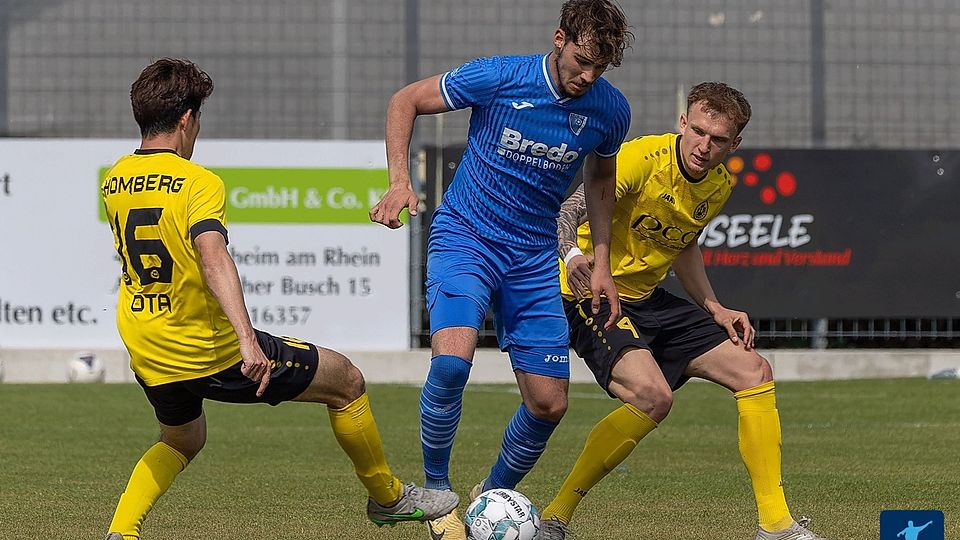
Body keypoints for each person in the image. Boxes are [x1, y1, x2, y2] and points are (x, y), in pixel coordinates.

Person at [101, 58, 458, 540]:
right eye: (199, 119)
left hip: (146, 345)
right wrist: (248, 343)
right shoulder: (199, 182)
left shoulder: (115, 178)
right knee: (346, 381)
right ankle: (389, 498)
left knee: (183, 438)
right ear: (186, 119)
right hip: (208, 350)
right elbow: (213, 258)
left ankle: (121, 533)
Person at [368, 1, 633, 538]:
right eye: (581, 60)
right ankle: (437, 499)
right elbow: (405, 101)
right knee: (451, 364)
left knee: (549, 403)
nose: (587, 76)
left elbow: (601, 182)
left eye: (598, 69)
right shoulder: (498, 76)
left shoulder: (609, 110)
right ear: (559, 38)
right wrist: (399, 180)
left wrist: (601, 260)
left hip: (534, 258)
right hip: (466, 237)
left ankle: (488, 501)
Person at [537, 82, 827, 540]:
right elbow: (568, 210)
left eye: (717, 139)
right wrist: (574, 257)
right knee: (654, 398)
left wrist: (715, 307)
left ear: (735, 145)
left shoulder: (718, 186)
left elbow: (684, 243)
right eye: (698, 131)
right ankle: (556, 515)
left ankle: (776, 525)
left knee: (754, 370)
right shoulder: (641, 158)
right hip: (589, 291)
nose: (704, 146)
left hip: (649, 299)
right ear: (682, 123)